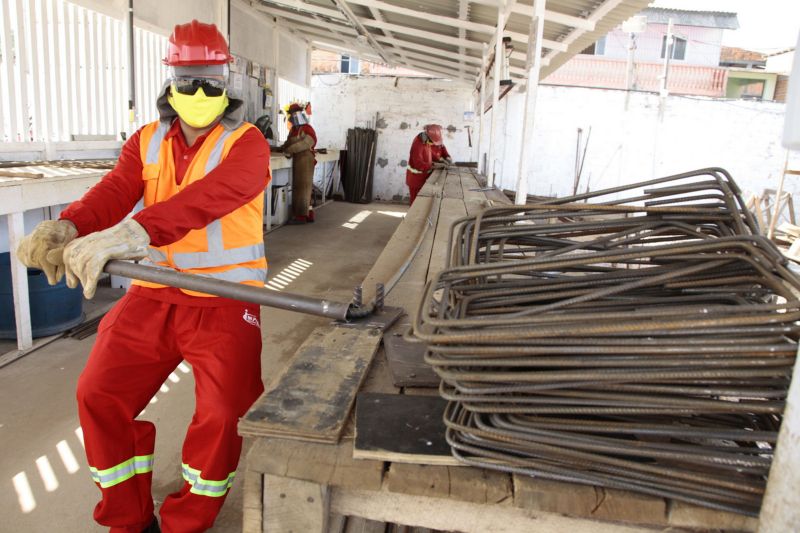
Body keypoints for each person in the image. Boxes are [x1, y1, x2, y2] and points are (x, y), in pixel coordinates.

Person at [15, 20, 270, 533]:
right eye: (188, 77)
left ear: (228, 80)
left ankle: (186, 521)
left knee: (224, 413)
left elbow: (207, 200)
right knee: (98, 393)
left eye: (211, 79)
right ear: (169, 79)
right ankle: (128, 518)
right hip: (153, 292)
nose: (200, 90)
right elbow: (114, 189)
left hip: (223, 298)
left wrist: (135, 232)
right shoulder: (147, 139)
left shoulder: (248, 145)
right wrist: (70, 224)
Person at [281, 102, 317, 223]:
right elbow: (287, 143)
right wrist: (279, 148)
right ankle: (309, 214)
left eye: (293, 114)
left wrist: (290, 150)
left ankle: (301, 217)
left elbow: (308, 143)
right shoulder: (294, 130)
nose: (292, 117)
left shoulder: (307, 128)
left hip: (306, 159)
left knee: (302, 187)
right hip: (298, 159)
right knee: (303, 187)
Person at [405, 124, 452, 205]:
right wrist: (435, 165)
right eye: (432, 142)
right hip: (415, 180)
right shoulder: (418, 144)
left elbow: (430, 154)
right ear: (428, 136)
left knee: (421, 205)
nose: (432, 144)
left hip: (423, 178)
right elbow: (419, 165)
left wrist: (441, 160)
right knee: (415, 205)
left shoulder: (426, 141)